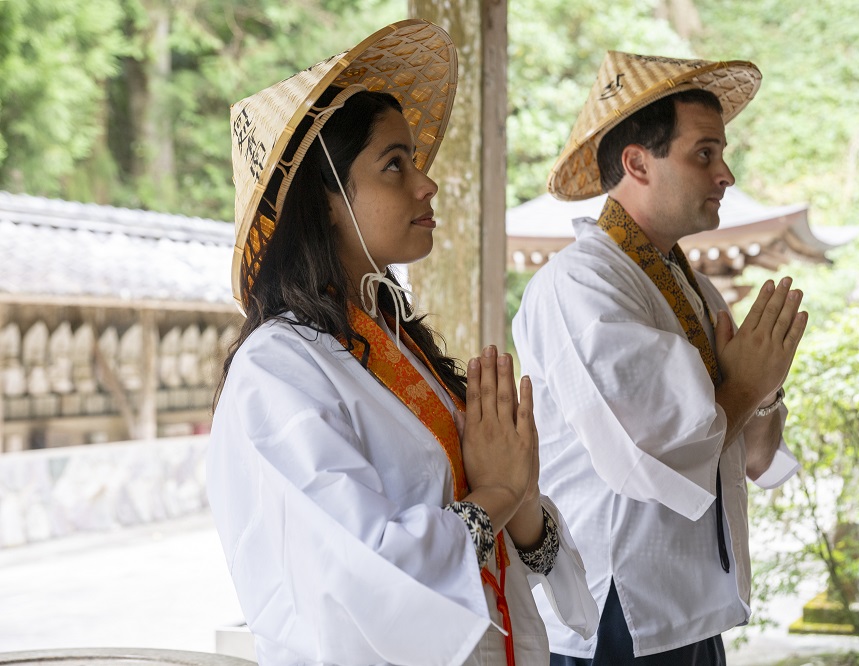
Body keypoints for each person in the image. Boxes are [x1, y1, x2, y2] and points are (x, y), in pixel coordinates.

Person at [208, 19, 597, 666]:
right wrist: (498, 495)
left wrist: (521, 499)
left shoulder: (396, 346)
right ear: (326, 199)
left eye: (415, 160)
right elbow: (363, 572)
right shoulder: (278, 372)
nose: (427, 183)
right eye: (395, 164)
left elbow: (504, 537)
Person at [512, 52, 809, 664]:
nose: (725, 173)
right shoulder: (580, 283)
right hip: (619, 603)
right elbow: (650, 451)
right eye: (705, 153)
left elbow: (753, 454)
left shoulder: (696, 290)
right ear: (637, 163)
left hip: (695, 603)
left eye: (721, 154)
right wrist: (747, 384)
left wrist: (766, 387)